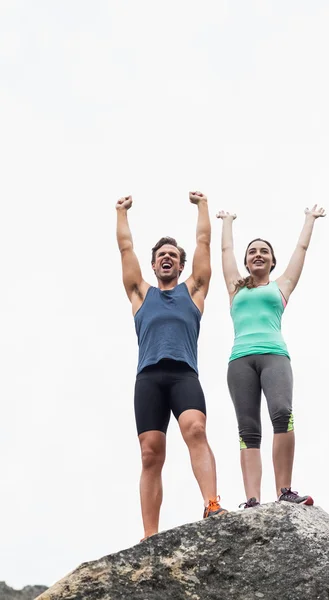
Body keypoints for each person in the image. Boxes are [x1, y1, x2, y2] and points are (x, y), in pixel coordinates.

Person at [116, 191, 226, 540]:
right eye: (161, 255)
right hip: (148, 377)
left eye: (173, 256)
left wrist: (203, 206)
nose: (167, 258)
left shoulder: (193, 291)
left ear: (180, 266)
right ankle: (150, 534)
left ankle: (212, 504)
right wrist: (121, 213)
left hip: (183, 374)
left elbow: (204, 241)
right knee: (151, 453)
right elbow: (125, 248)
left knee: (195, 429)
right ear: (153, 265)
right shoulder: (139, 293)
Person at [216, 204, 326, 508]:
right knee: (248, 429)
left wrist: (309, 219)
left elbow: (301, 248)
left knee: (282, 413)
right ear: (247, 261)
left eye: (264, 251)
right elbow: (226, 250)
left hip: (275, 356)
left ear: (272, 261)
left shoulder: (283, 286)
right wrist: (227, 221)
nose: (258, 254)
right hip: (240, 361)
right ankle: (252, 499)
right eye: (252, 251)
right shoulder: (234, 288)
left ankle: (284, 491)